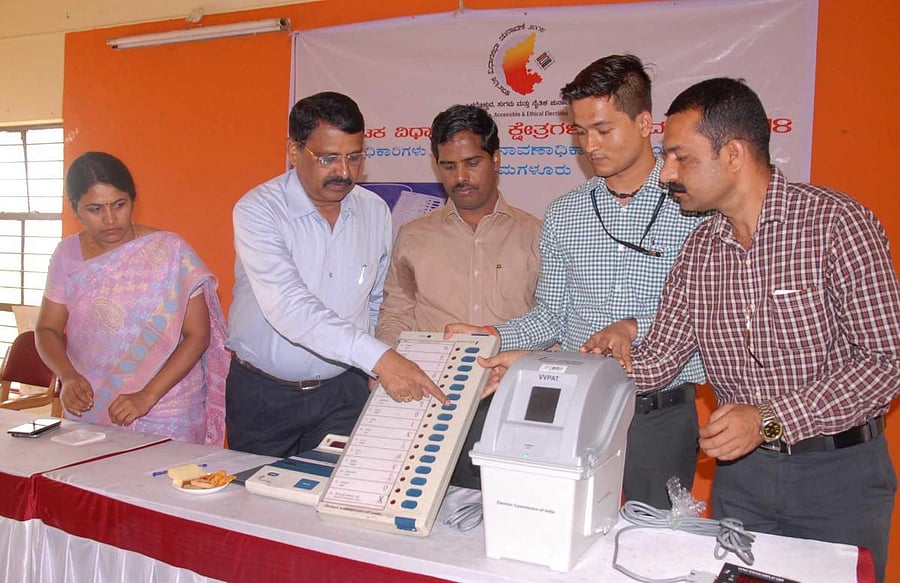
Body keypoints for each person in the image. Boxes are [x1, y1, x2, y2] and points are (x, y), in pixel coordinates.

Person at [583, 77, 900, 583]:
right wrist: (564, 367)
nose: (667, 174)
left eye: (681, 157)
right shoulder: (699, 251)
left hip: (838, 478)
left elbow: (885, 364)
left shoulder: (837, 224)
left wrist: (768, 420)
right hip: (741, 481)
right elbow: (659, 361)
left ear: (733, 153)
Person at [448, 55, 706, 508]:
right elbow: (550, 314)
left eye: (603, 130)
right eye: (580, 131)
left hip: (660, 414)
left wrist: (633, 327)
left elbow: (708, 311)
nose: (590, 144)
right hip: (569, 405)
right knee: (558, 534)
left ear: (645, 123)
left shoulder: (697, 207)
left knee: (656, 548)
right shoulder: (566, 213)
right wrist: (493, 335)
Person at [226, 91, 446, 458]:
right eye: (328, 158)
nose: (344, 172)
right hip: (264, 396)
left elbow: (376, 299)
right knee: (256, 502)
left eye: (355, 157)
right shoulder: (258, 210)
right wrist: (380, 358)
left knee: (336, 499)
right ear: (294, 151)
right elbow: (290, 308)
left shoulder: (373, 210)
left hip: (342, 392)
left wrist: (376, 362)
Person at [376, 104, 542, 488]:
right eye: (449, 166)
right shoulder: (414, 235)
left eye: (472, 162)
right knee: (425, 514)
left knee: (509, 514)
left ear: (496, 159)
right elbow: (396, 311)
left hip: (510, 400)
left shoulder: (536, 234)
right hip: (429, 401)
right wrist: (383, 369)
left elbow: (551, 320)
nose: (461, 177)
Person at [35, 151, 229, 445]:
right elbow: (47, 328)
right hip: (91, 403)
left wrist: (146, 396)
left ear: (132, 200)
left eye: (119, 205)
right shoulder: (67, 255)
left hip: (167, 408)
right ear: (75, 209)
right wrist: (68, 375)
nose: (110, 219)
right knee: (91, 489)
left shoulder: (170, 252)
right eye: (95, 209)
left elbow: (197, 335)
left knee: (162, 488)